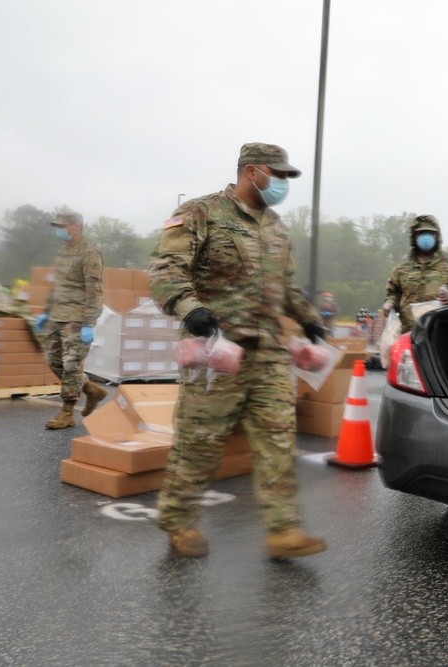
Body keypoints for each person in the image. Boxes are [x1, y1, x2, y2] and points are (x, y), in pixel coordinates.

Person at [148, 142, 327, 560]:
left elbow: (286, 288)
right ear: (251, 171)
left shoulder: (277, 227)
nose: (281, 183)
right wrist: (190, 307)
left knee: (279, 440)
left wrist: (308, 318)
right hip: (216, 351)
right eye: (276, 174)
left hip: (267, 354)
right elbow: (165, 268)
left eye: (286, 177)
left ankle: (284, 529)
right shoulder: (200, 212)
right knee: (200, 443)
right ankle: (177, 520)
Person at [33, 209, 107, 429]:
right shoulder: (63, 252)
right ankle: (92, 390)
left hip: (76, 318)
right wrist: (46, 311)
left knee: (71, 363)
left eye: (62, 225)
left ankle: (67, 412)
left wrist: (89, 323)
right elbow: (56, 285)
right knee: (54, 361)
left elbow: (95, 291)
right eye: (57, 226)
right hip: (57, 315)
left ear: (76, 226)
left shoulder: (89, 254)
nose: (59, 230)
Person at [380, 214, 448, 333]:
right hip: (409, 334)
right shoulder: (402, 265)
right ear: (414, 236)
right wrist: (389, 304)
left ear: (437, 236)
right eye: (421, 233)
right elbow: (394, 293)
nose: (426, 237)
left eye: (431, 233)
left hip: (441, 334)